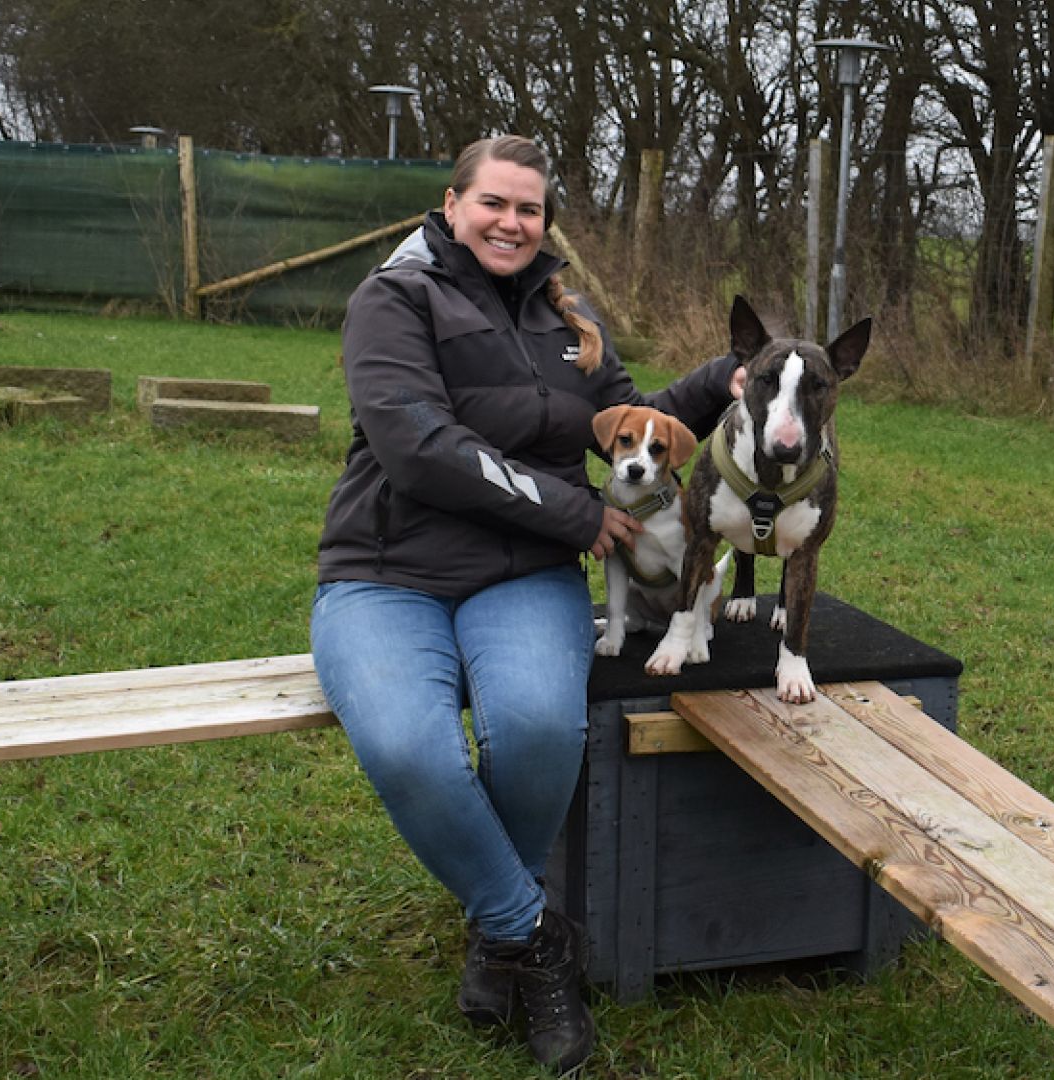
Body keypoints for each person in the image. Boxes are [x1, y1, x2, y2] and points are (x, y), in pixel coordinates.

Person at [309, 135, 740, 1073]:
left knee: (544, 729)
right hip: (387, 569)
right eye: (494, 203)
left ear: (547, 223)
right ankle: (530, 933)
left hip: (525, 572)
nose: (512, 223)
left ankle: (496, 926)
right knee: (406, 745)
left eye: (530, 209)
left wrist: (721, 380)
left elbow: (634, 426)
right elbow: (417, 444)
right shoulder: (395, 297)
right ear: (453, 205)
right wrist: (572, 511)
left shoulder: (568, 315)